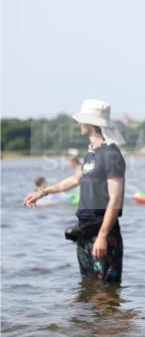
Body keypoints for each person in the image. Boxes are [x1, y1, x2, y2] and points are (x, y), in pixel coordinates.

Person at [23, 99, 126, 283]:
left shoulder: (112, 155)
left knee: (106, 295)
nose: (79, 123)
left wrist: (102, 236)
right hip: (84, 232)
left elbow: (116, 198)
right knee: (87, 288)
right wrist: (42, 191)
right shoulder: (91, 153)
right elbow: (73, 180)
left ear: (90, 123)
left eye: (81, 120)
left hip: (103, 233)